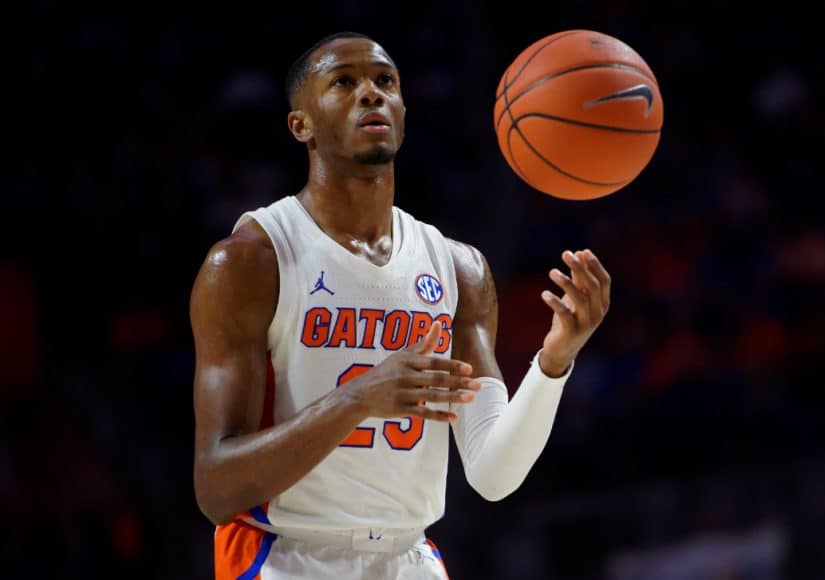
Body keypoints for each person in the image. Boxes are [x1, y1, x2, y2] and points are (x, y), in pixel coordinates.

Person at [190, 31, 611, 579]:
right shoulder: (251, 262)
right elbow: (216, 487)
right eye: (344, 82)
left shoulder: (459, 268)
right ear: (301, 125)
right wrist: (358, 399)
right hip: (285, 557)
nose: (371, 93)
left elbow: (493, 473)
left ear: (404, 112)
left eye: (385, 81)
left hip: (410, 557)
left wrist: (554, 361)